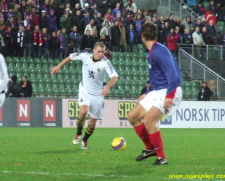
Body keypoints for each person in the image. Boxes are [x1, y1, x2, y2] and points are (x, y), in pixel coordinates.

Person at [127, 23, 182, 165]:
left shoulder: (159, 50)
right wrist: (148, 92)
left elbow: (173, 74)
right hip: (157, 90)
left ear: (142, 36)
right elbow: (158, 77)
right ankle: (150, 148)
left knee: (150, 120)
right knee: (132, 116)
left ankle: (161, 157)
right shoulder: (153, 52)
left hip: (169, 90)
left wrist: (169, 95)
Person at [51, 42, 118, 149]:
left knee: (92, 121)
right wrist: (59, 66)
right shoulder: (85, 56)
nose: (101, 54)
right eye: (99, 52)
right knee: (83, 111)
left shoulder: (106, 63)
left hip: (98, 94)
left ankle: (85, 140)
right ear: (93, 50)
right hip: (85, 90)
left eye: (103, 52)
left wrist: (107, 87)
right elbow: (71, 57)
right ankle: (78, 133)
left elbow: (114, 77)